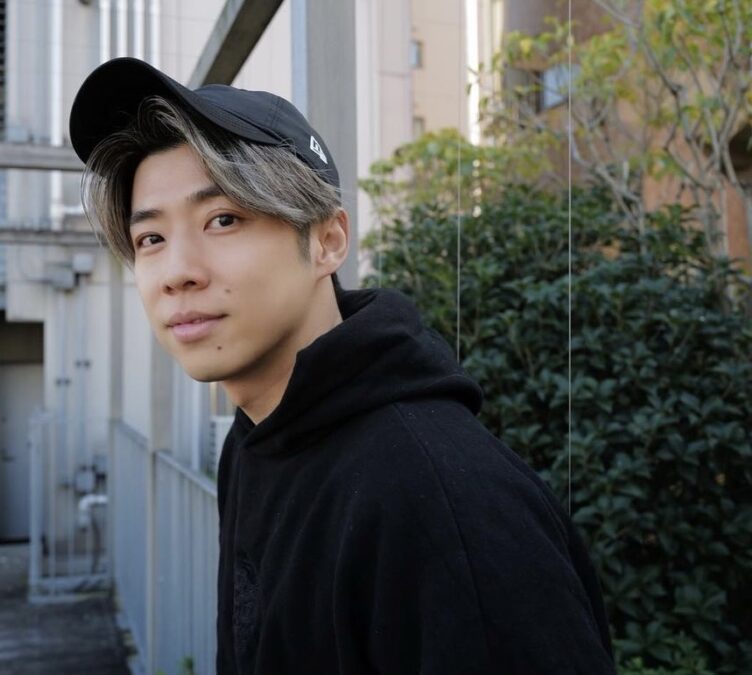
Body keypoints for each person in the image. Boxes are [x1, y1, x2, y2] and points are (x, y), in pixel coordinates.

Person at [69, 56, 617, 675]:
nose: (177, 273)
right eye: (151, 239)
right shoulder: (254, 441)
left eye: (223, 220)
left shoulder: (443, 503)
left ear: (327, 240)